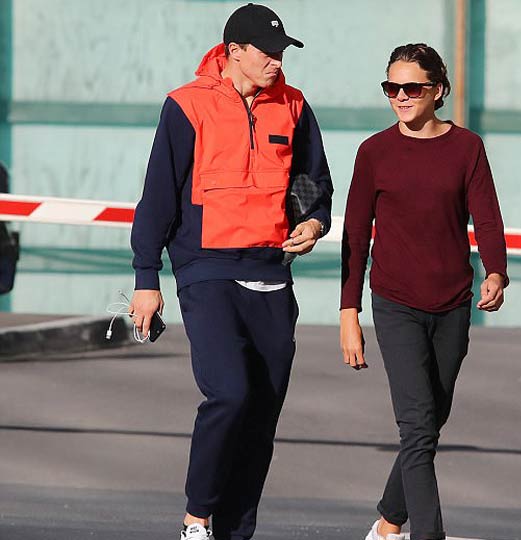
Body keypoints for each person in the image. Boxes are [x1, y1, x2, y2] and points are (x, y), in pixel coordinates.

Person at [129, 4, 333, 539]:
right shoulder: (186, 105)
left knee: (262, 415)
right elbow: (157, 197)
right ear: (234, 51)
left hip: (271, 273)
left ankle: (234, 533)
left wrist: (313, 223)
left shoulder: (293, 105)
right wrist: (146, 279)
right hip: (207, 269)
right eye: (268, 52)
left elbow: (313, 182)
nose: (277, 61)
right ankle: (197, 517)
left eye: (282, 52)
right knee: (230, 393)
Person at [340, 43, 507, 540]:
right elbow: (355, 235)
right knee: (416, 425)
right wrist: (349, 312)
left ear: (438, 90)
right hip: (395, 304)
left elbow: (487, 216)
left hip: (453, 302)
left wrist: (496, 272)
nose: (400, 96)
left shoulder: (467, 148)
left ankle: (388, 524)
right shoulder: (374, 152)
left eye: (411, 87)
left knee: (431, 422)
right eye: (391, 87)